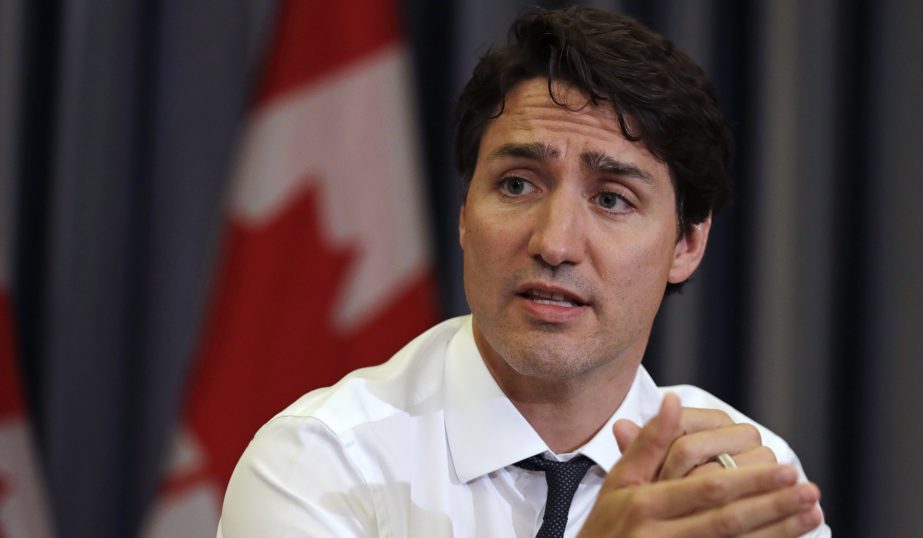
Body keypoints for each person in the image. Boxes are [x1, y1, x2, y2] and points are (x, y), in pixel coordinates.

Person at [219, 6, 829, 537]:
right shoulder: (322, 462)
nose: (555, 243)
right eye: (517, 185)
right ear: (463, 215)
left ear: (687, 244)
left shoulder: (737, 480)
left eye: (612, 198)